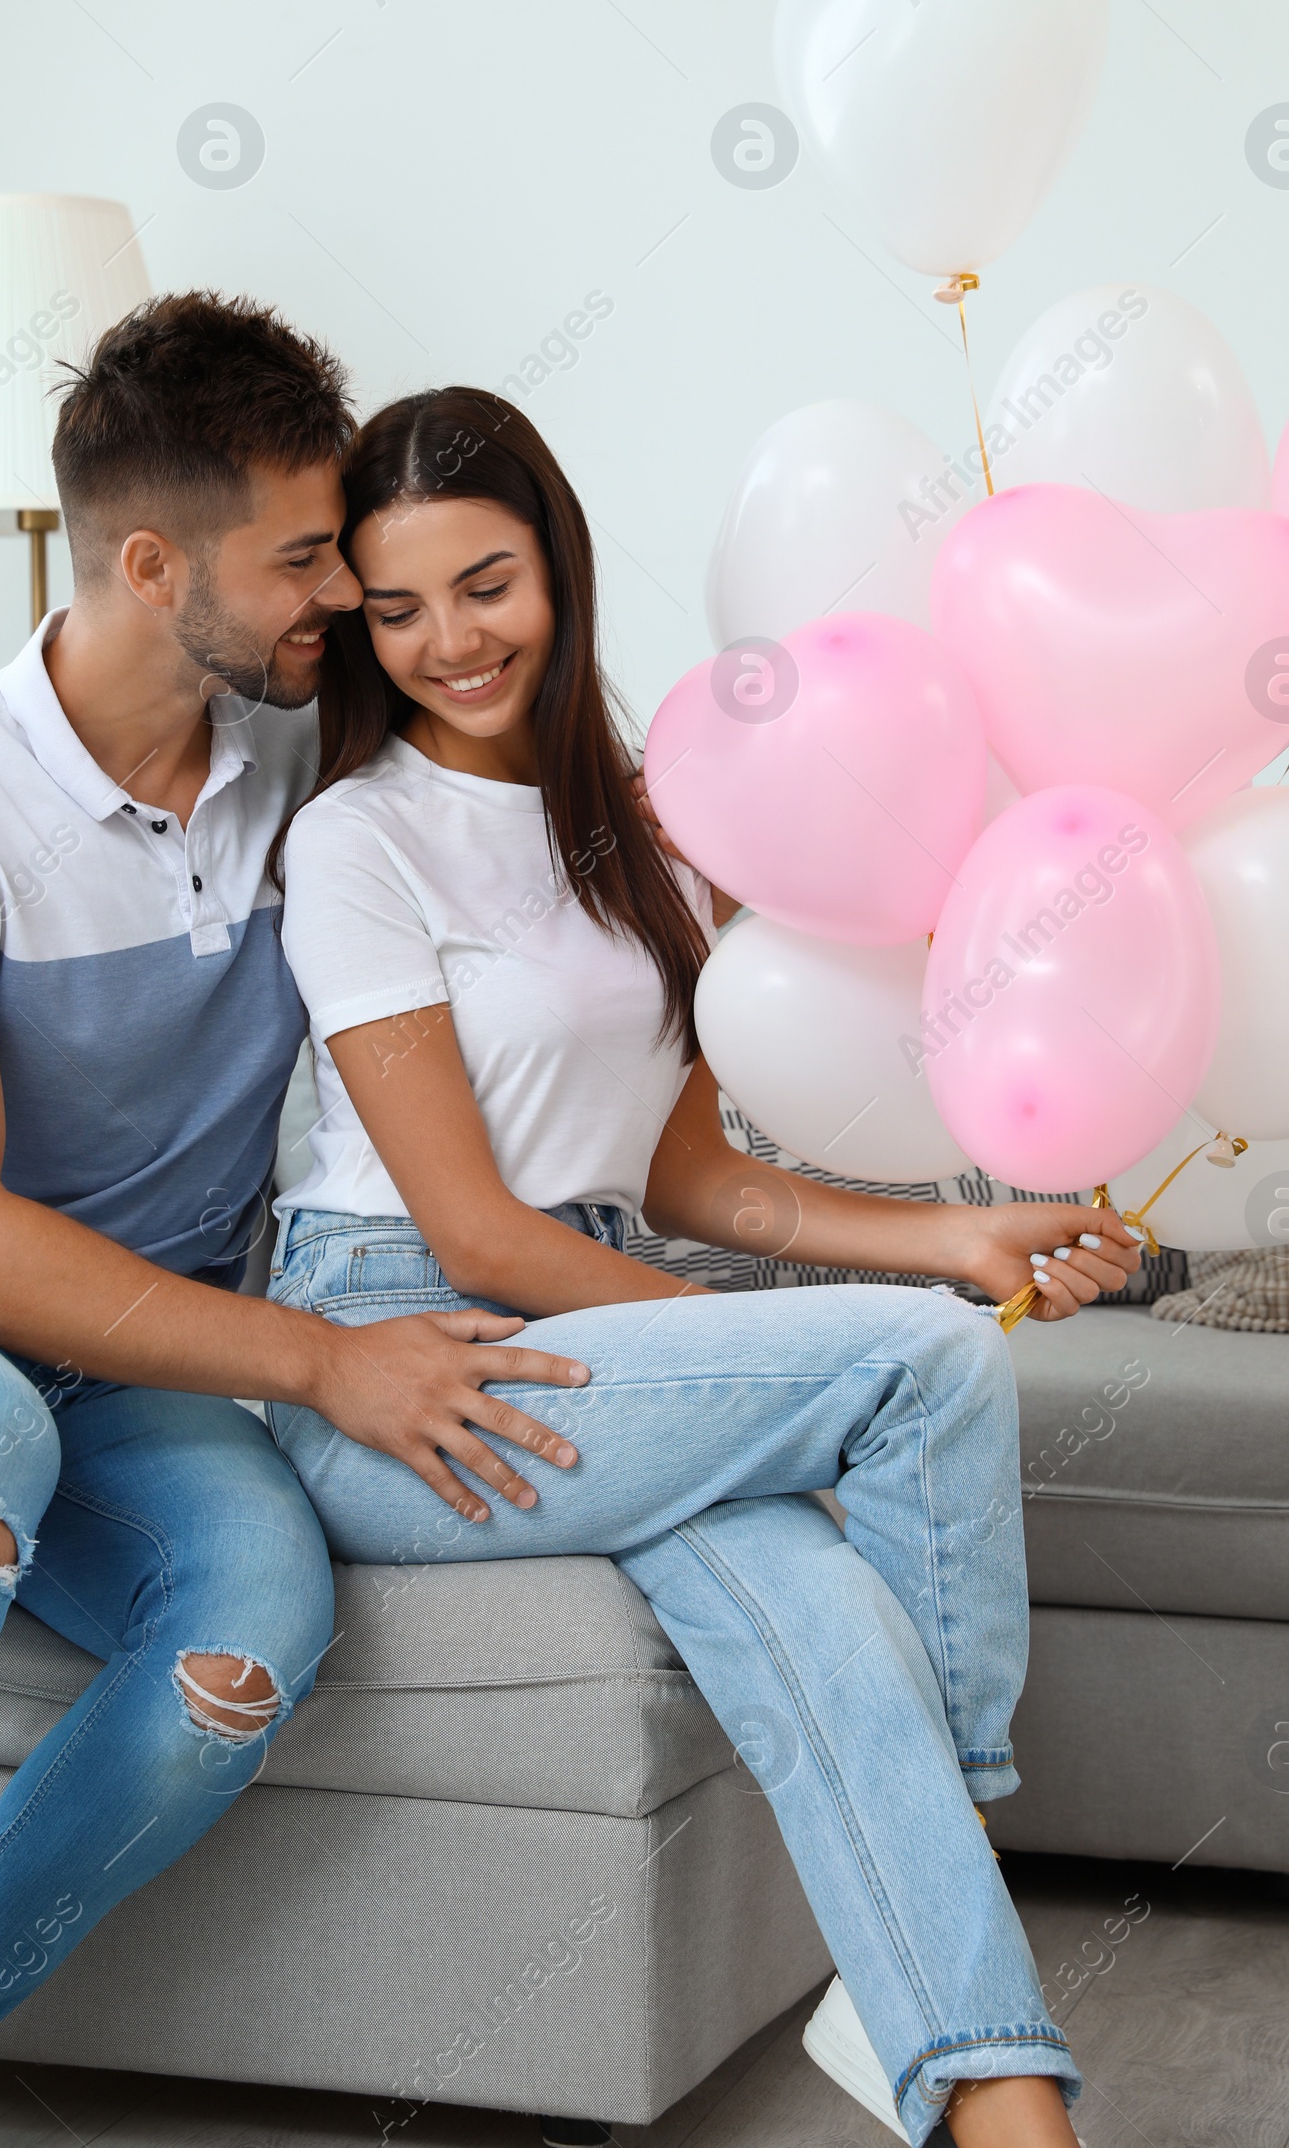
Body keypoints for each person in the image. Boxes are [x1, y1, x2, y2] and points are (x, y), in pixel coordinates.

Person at [0, 302, 590, 2148]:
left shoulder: (305, 773)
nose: (340, 595)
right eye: (303, 557)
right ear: (153, 561)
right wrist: (321, 1361)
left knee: (256, 1610)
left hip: (137, 1354)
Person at [265, 386, 1140, 2148]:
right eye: (399, 606)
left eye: (488, 583)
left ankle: (996, 2101)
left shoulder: (654, 827)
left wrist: (950, 1234)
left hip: (587, 1325)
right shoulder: (354, 841)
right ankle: (960, 1838)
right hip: (402, 1352)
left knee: (819, 1600)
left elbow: (682, 1178)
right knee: (924, 1363)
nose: (450, 640)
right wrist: (802, 1361)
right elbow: (471, 1234)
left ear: (560, 570)